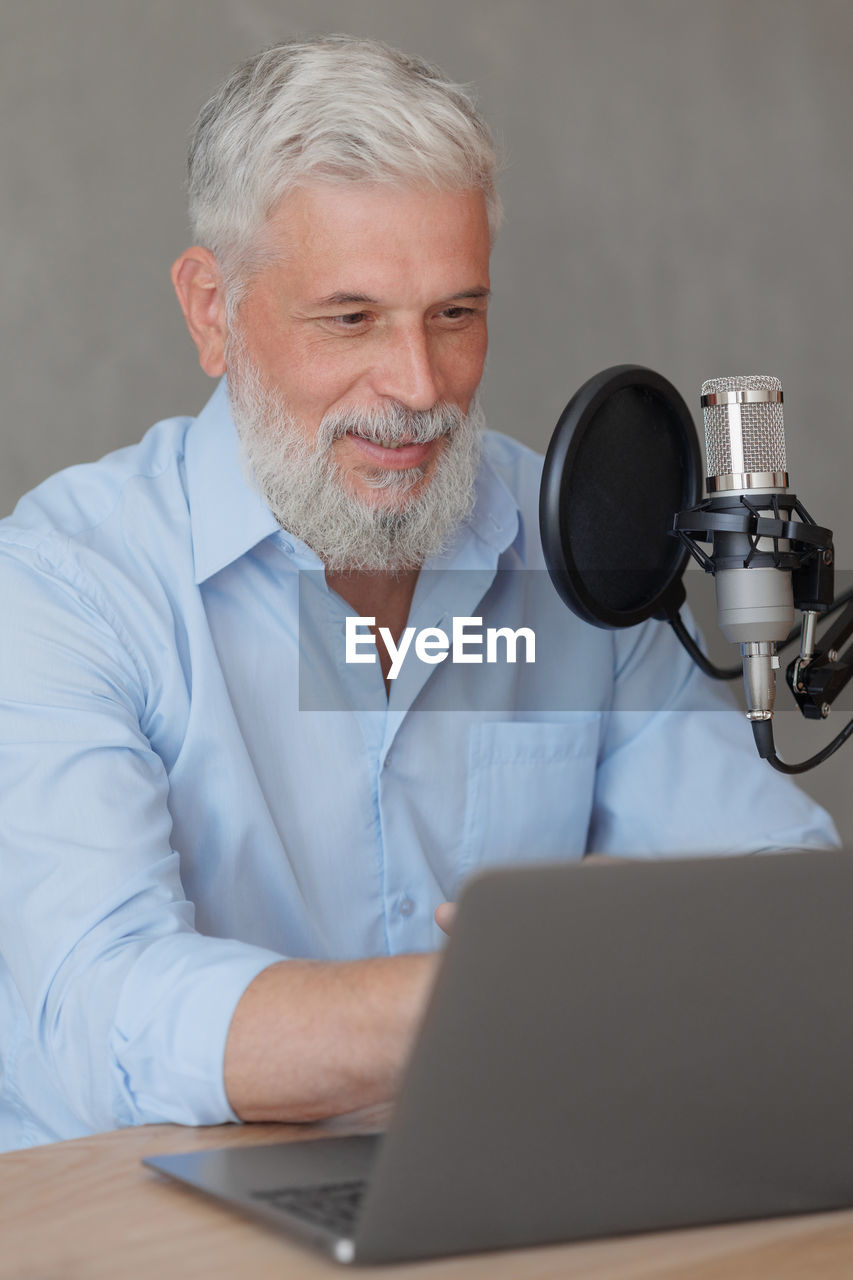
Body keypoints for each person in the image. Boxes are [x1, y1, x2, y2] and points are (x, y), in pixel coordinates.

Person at [0, 35, 837, 1153]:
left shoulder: (571, 549)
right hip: (146, 1222)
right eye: (349, 319)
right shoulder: (67, 585)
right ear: (211, 310)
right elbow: (103, 1012)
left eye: (454, 313)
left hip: (499, 1184)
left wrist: (625, 968)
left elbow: (782, 911)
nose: (417, 386)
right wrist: (512, 990)